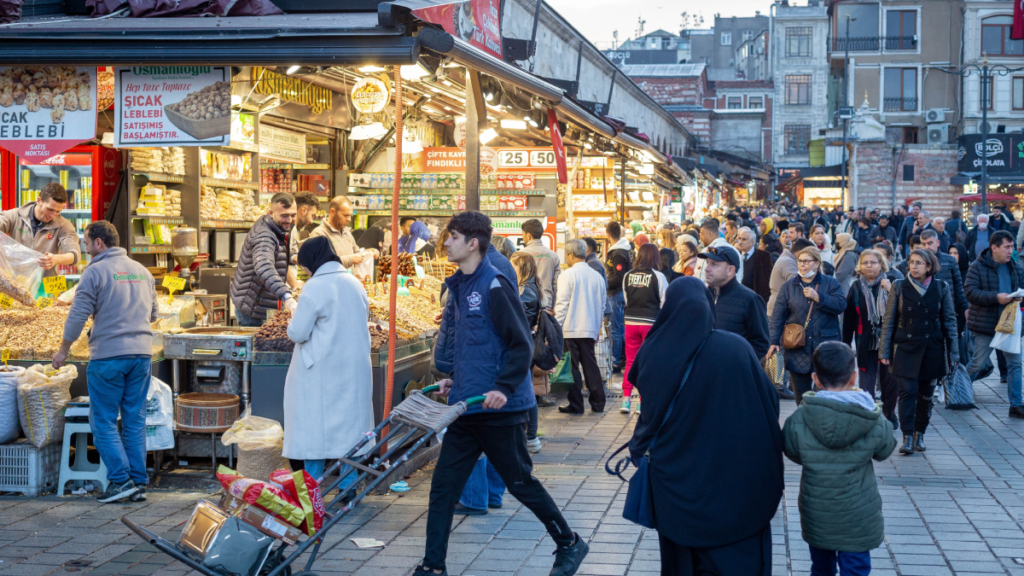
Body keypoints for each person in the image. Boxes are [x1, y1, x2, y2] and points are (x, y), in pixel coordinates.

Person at [423, 211, 588, 576]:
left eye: (452, 237)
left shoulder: (494, 285)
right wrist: (454, 376)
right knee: (443, 490)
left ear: (472, 244)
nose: (445, 242)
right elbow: (476, 346)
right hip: (468, 407)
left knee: (521, 484)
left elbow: (520, 345)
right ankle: (432, 567)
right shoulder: (463, 284)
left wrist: (503, 387)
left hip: (500, 409)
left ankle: (570, 543)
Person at [628, 277, 783, 576]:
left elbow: (649, 413)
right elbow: (769, 405)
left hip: (675, 480)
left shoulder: (652, 351)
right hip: (733, 481)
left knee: (681, 560)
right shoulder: (734, 347)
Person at [53, 221, 156, 504]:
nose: (86, 250)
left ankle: (121, 481)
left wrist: (63, 350)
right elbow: (154, 313)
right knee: (134, 421)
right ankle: (138, 482)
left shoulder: (95, 271)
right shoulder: (142, 271)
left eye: (86, 244)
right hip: (142, 356)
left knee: (103, 422)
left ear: (99, 243)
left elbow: (77, 317)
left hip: (109, 357)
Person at [783, 342, 896, 576]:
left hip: (818, 512)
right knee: (855, 569)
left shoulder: (801, 417)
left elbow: (792, 449)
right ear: (854, 377)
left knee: (821, 568)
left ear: (815, 378)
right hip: (858, 514)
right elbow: (885, 449)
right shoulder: (869, 416)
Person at [282, 237, 370, 487]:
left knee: (314, 432)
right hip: (353, 369)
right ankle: (348, 484)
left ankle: (311, 487)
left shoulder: (314, 287)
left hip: (320, 370)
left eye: (304, 264)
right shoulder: (355, 284)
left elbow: (298, 333)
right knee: (348, 431)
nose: (304, 269)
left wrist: (292, 316)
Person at [879, 249, 958, 453]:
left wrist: (954, 353)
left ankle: (919, 434)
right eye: (911, 262)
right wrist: (884, 351)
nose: (913, 266)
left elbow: (950, 320)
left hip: (932, 348)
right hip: (905, 347)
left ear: (929, 266)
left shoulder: (941, 287)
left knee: (925, 396)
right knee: (907, 391)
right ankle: (906, 436)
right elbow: (889, 321)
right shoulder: (899, 286)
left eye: (919, 263)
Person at [768, 246, 847, 405]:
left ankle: (821, 426)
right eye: (799, 261)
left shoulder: (831, 283)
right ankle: (804, 425)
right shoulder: (789, 286)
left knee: (824, 395)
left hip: (825, 346)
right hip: (797, 347)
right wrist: (774, 341)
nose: (801, 265)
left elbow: (841, 305)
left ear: (817, 264)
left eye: (806, 261)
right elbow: (777, 316)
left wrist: (819, 298)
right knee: (802, 397)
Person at [964, 230, 1024, 419]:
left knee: (1015, 364)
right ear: (994, 248)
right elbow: (970, 292)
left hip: (1010, 325)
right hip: (986, 324)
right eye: (1006, 247)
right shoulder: (977, 267)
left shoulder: (1017, 267)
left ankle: (1016, 404)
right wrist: (995, 298)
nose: (1010, 251)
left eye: (1012, 247)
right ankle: (959, 390)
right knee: (977, 363)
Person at [843, 250, 897, 425]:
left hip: (888, 342)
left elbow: (904, 310)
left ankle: (889, 412)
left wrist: (892, 291)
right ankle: (869, 416)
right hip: (864, 342)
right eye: (865, 263)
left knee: (889, 382)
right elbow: (849, 317)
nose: (869, 266)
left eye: (873, 262)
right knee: (866, 383)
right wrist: (845, 344)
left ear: (881, 264)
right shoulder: (856, 287)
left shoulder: (893, 283)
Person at [556, 239, 609, 414]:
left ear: (571, 255)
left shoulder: (567, 275)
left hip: (570, 328)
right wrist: (597, 327)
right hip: (589, 328)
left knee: (572, 368)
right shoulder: (597, 276)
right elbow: (602, 305)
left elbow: (561, 305)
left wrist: (556, 327)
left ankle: (576, 404)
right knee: (590, 365)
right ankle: (598, 402)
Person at [230, 192, 297, 326]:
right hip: (253, 307)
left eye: (293, 215)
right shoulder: (264, 236)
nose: (289, 220)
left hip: (260, 303)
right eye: (284, 216)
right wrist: (287, 296)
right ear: (271, 213)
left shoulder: (277, 229)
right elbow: (265, 268)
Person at [620, 244, 667, 414]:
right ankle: (642, 401)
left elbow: (626, 299)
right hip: (651, 323)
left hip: (631, 322)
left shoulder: (627, 276)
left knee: (631, 361)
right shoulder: (658, 276)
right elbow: (664, 302)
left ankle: (625, 400)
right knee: (648, 361)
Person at [0, 182, 81, 278]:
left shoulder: (64, 225)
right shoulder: (15, 216)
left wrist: (55, 259)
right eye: (50, 209)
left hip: (47, 285)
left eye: (58, 211)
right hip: (16, 284)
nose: (53, 215)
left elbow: (74, 255)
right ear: (39, 201)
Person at [703, 244, 769, 361]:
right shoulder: (703, 295)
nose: (707, 268)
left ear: (730, 270)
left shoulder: (750, 299)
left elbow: (761, 344)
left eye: (714, 264)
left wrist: (737, 363)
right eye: (707, 263)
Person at [309, 196, 367, 269]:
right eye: (345, 215)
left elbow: (357, 252)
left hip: (348, 279)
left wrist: (368, 252)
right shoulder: (319, 234)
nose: (349, 219)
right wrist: (349, 260)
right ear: (332, 212)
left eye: (350, 215)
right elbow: (317, 264)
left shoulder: (347, 232)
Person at [605, 221, 631, 372]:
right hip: (618, 294)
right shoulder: (621, 250)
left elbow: (618, 277)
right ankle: (622, 358)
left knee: (615, 329)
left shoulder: (618, 253)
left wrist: (603, 282)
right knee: (619, 329)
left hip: (616, 294)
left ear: (608, 235)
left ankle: (616, 362)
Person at [521, 219, 560, 310]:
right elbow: (556, 284)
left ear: (528, 236)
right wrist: (553, 307)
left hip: (526, 303)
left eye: (523, 234)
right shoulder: (553, 256)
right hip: (547, 302)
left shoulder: (519, 255)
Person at [737, 227, 773, 305]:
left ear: (752, 242)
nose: (740, 242)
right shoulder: (736, 255)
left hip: (755, 300)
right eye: (739, 238)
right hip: (738, 298)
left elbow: (768, 279)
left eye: (744, 239)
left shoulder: (764, 256)